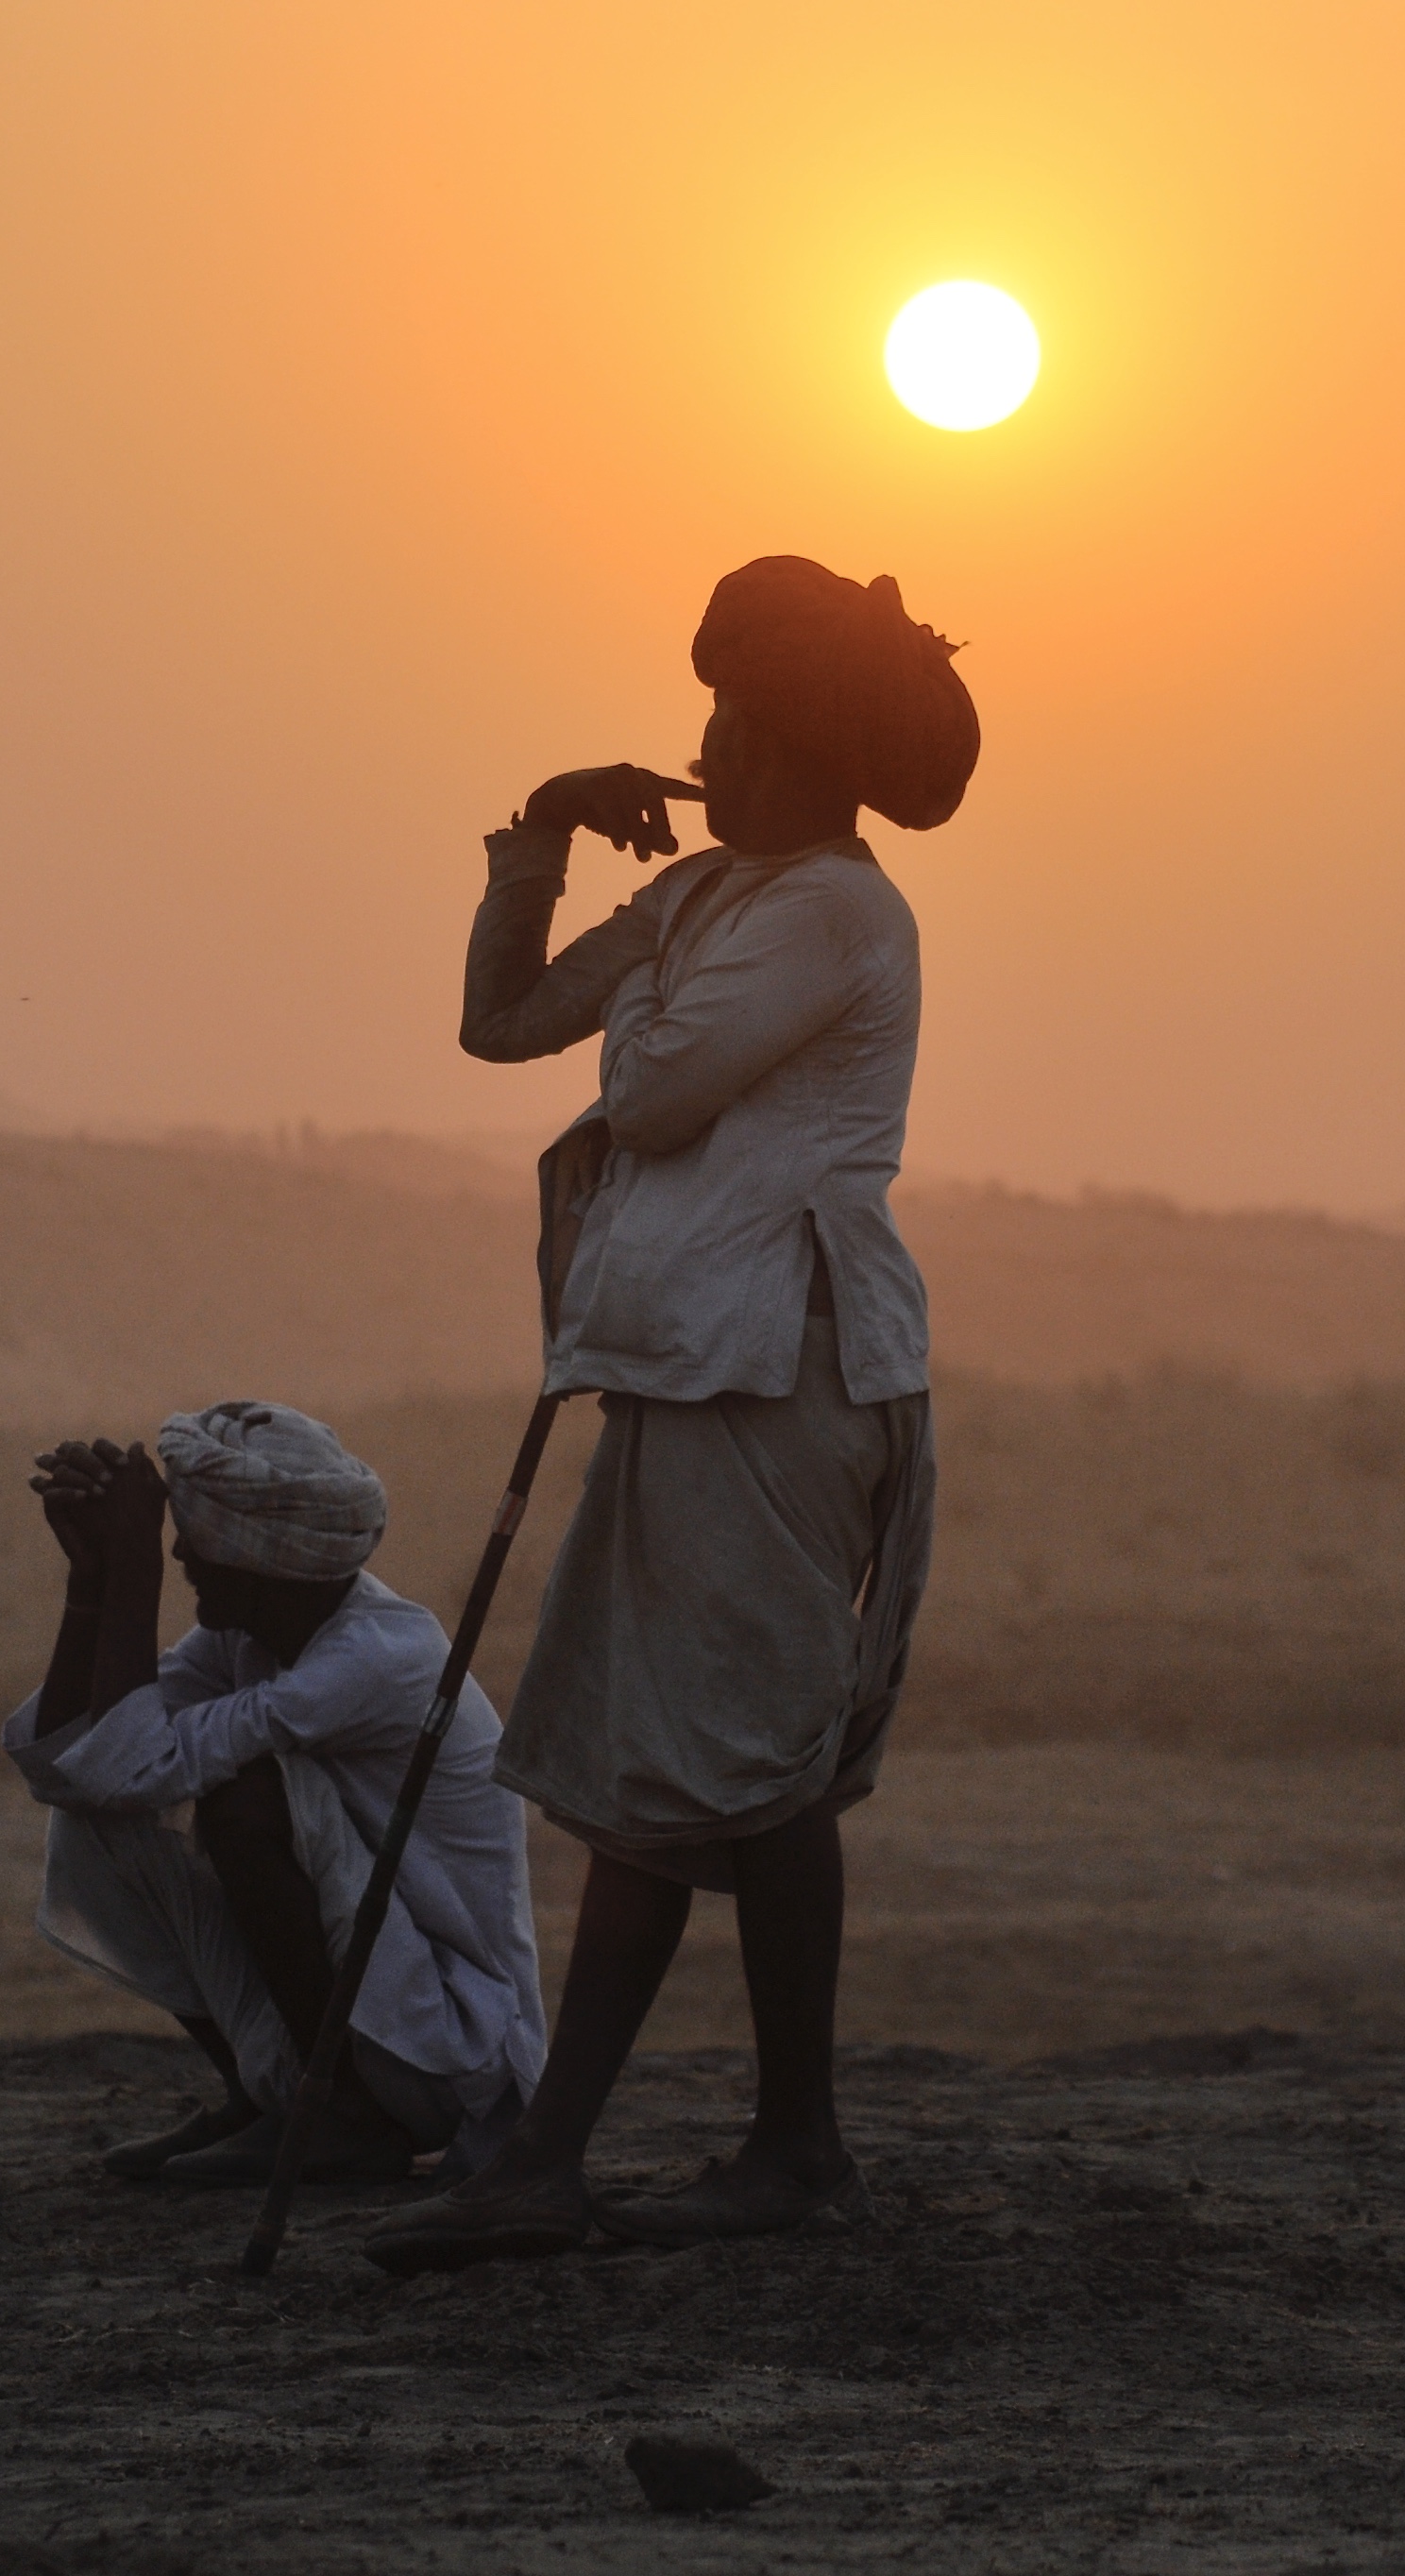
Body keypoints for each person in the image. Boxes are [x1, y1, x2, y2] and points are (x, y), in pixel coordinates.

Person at [361, 555, 974, 2274]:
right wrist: (540, 830)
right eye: (707, 706)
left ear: (801, 743)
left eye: (735, 713)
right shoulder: (715, 895)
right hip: (689, 1363)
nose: (704, 738)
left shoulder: (834, 913)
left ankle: (753, 2151)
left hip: (784, 1371)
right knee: (676, 1766)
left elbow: (642, 1092)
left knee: (744, 1765)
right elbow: (498, 1028)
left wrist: (645, 968)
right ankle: (595, 2158)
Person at [2, 1402, 544, 2188]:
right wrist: (93, 1582)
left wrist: (136, 1570)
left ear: (256, 1560)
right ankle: (266, 2100)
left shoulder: (373, 1656)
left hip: (448, 2044)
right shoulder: (249, 1633)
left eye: (195, 1539)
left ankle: (345, 2119)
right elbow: (75, 1764)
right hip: (370, 2012)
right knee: (98, 1817)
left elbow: (128, 1762)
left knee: (249, 1800)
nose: (181, 1548)